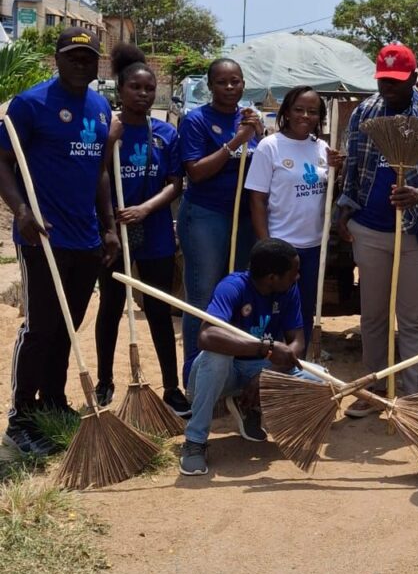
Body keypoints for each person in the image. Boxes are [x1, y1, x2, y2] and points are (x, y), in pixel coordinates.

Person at [0, 28, 120, 456]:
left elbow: (101, 172)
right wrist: (22, 211)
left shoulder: (101, 107)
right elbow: (2, 160)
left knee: (67, 327)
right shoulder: (31, 104)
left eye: (88, 58)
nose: (81, 64)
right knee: (40, 328)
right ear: (57, 59)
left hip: (85, 237)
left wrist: (108, 226)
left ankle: (52, 401)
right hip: (42, 238)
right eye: (73, 57)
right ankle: (19, 419)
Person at [338, 43, 418, 415]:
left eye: (395, 80)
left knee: (412, 317)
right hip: (370, 229)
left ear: (412, 76)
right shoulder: (364, 113)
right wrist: (344, 212)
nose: (387, 86)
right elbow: (353, 169)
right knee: (372, 315)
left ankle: (412, 398)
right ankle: (372, 389)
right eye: (382, 79)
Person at [94, 44, 189, 415]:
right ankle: (104, 381)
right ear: (120, 90)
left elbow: (175, 183)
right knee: (111, 304)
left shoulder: (165, 133)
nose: (144, 94)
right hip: (113, 233)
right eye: (136, 88)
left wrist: (146, 208)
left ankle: (171, 386)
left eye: (149, 89)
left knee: (158, 309)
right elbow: (97, 173)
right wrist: (110, 142)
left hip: (157, 233)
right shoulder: (108, 129)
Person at [179, 239, 320, 476]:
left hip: (259, 369)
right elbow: (206, 337)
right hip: (218, 375)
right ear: (272, 277)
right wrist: (264, 347)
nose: (297, 277)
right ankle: (195, 442)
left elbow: (297, 344)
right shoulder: (232, 287)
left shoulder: (289, 290)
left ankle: (246, 407)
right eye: (293, 273)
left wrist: (266, 374)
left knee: (320, 380)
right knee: (217, 355)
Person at [177, 58, 263, 384]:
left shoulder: (249, 119)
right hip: (205, 216)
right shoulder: (196, 120)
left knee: (239, 293)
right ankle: (194, 377)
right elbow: (196, 172)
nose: (230, 87)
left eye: (236, 81)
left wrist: (259, 133)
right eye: (222, 82)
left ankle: (229, 375)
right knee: (203, 297)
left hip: (243, 217)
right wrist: (236, 142)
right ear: (210, 86)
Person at [246, 86, 343, 353]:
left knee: (305, 310)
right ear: (286, 112)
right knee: (273, 311)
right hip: (281, 244)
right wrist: (266, 246)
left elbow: (328, 195)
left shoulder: (322, 148)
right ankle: (267, 368)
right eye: (299, 109)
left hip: (313, 247)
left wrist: (338, 171)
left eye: (313, 111)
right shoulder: (270, 146)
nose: (305, 116)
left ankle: (299, 370)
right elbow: (257, 200)